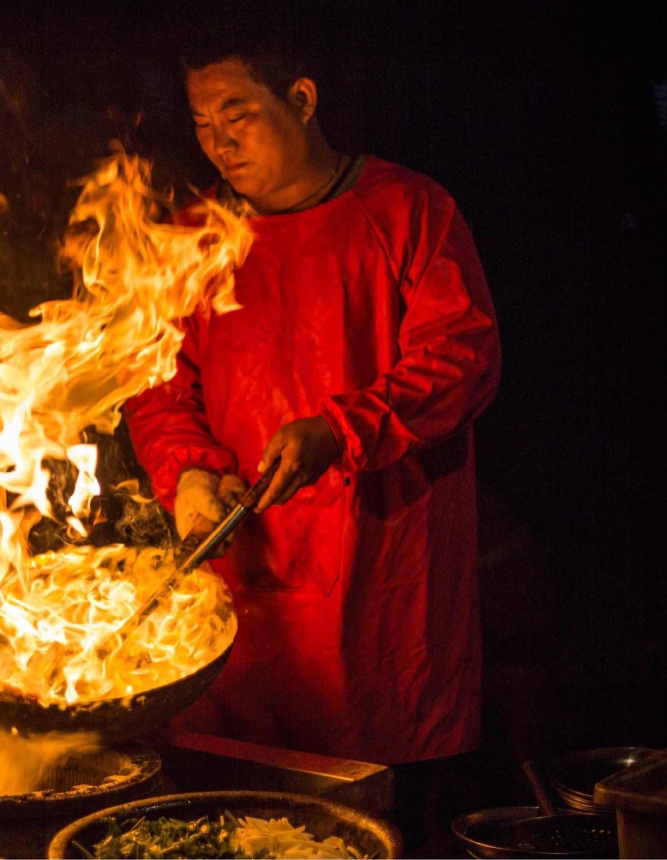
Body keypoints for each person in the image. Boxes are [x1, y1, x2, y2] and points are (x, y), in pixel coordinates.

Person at [122, 17, 501, 853]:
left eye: (237, 113)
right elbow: (155, 383)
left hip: (380, 599)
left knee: (374, 834)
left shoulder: (407, 210)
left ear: (300, 99)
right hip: (244, 601)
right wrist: (187, 472)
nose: (218, 144)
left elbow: (463, 359)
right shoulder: (196, 238)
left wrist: (340, 430)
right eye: (201, 123)